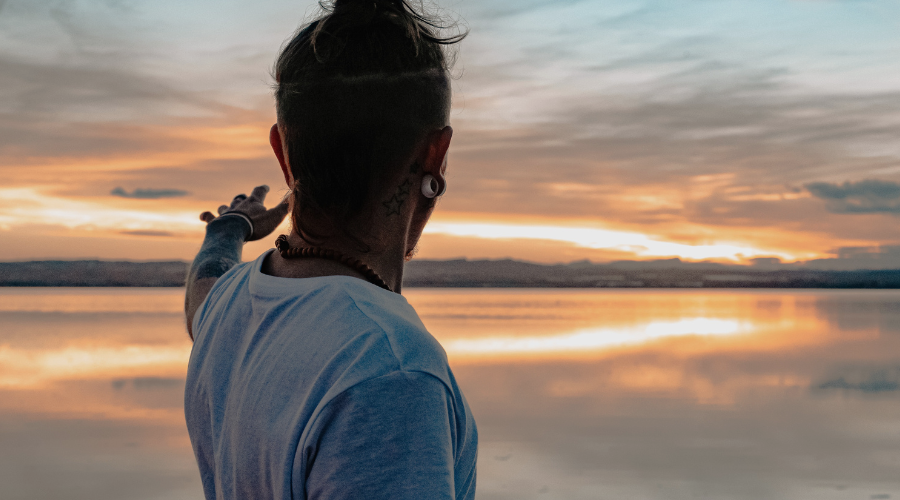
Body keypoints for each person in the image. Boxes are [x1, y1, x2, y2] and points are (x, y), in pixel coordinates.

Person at [182, 0, 477, 499]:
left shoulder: (230, 306)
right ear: (436, 155)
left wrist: (228, 229)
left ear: (282, 151)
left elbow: (202, 288)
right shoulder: (391, 370)